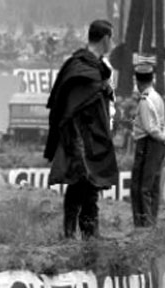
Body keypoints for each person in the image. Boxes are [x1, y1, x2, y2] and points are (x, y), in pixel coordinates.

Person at [44, 19, 119, 239]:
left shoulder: (99, 68)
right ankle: (69, 233)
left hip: (95, 137)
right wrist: (76, 144)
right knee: (79, 182)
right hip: (78, 138)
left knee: (92, 186)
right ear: (105, 39)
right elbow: (69, 109)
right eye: (111, 38)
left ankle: (90, 233)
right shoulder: (79, 68)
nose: (112, 43)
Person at [131, 62, 165, 227]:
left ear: (138, 82)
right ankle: (152, 221)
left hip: (147, 143)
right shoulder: (157, 97)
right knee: (153, 184)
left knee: (141, 186)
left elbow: (150, 128)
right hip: (158, 145)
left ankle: (143, 224)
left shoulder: (145, 100)